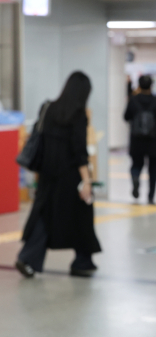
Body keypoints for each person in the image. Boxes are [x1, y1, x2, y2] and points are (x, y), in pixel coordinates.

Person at [16, 71, 101, 278]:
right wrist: (87, 180)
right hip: (70, 176)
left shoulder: (48, 108)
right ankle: (82, 261)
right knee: (81, 216)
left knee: (44, 215)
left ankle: (28, 257)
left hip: (48, 173)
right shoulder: (79, 114)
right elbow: (79, 151)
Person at [124, 75, 156, 204]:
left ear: (139, 85)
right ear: (151, 85)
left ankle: (135, 178)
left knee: (136, 164)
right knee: (153, 168)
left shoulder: (133, 100)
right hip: (152, 140)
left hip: (136, 139)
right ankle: (151, 196)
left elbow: (126, 117)